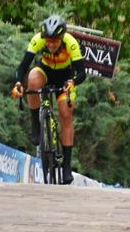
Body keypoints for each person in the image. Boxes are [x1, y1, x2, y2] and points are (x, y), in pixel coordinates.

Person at [11, 15, 86, 184]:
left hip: (65, 78)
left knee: (65, 115)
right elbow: (22, 66)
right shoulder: (38, 40)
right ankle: (36, 122)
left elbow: (82, 73)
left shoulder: (71, 43)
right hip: (45, 72)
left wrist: (73, 82)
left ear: (61, 38)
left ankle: (66, 166)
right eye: (48, 41)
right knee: (32, 78)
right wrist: (17, 83)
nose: (51, 45)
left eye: (55, 41)